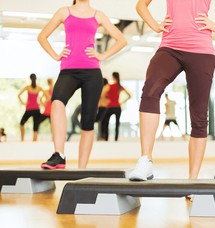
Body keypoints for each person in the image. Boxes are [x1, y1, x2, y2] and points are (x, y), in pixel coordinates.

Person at [129, 0, 215, 181]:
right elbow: (141, 5)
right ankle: (145, 160)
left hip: (201, 50)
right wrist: (155, 25)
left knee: (199, 115)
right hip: (169, 46)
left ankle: (192, 180)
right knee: (150, 89)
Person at [38, 0, 127, 169]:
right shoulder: (64, 12)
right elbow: (42, 36)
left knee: (87, 122)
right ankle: (59, 155)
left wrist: (102, 55)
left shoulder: (98, 14)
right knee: (56, 102)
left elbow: (121, 40)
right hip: (68, 71)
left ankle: (81, 169)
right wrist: (56, 55)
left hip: (92, 73)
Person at [100, 72, 132, 141]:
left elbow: (101, 94)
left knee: (106, 122)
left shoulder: (109, 86)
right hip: (117, 107)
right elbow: (129, 95)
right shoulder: (119, 86)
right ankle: (116, 139)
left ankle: (106, 138)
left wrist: (106, 100)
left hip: (110, 107)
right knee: (117, 123)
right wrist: (121, 102)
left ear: (113, 77)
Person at [18, 73, 44, 142]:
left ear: (30, 79)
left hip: (29, 109)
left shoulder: (27, 87)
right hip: (36, 109)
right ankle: (34, 141)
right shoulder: (39, 88)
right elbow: (48, 96)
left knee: (21, 124)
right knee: (35, 126)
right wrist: (41, 102)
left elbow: (18, 95)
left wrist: (23, 102)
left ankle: (22, 140)